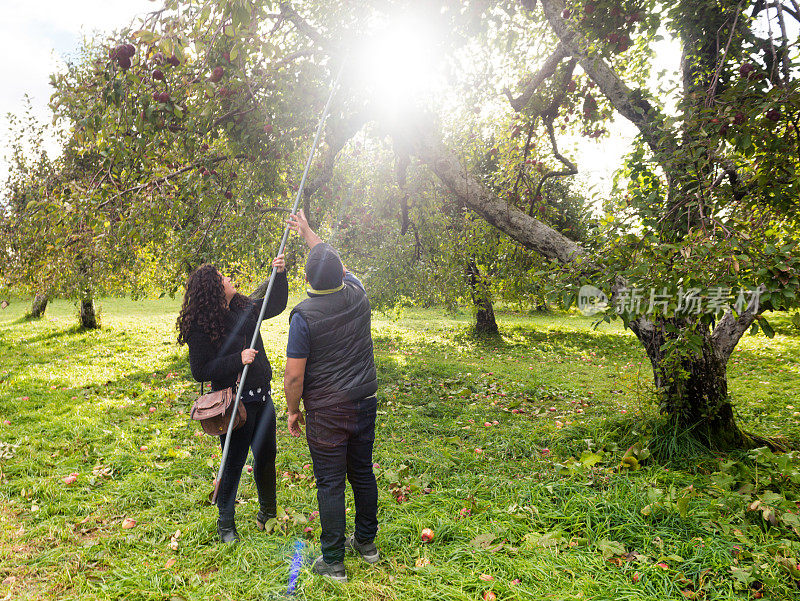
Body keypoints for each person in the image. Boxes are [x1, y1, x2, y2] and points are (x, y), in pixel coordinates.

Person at [284, 210, 379, 583]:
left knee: (330, 483)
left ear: (305, 279)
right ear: (342, 275)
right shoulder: (357, 293)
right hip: (363, 402)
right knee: (362, 471)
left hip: (325, 412)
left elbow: (294, 376)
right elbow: (333, 261)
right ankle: (367, 545)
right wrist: (309, 233)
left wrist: (293, 411)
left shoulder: (303, 317)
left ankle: (334, 561)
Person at [177, 257, 288, 543]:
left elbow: (274, 305)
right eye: (222, 277)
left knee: (266, 457)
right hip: (234, 406)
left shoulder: (242, 306)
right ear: (214, 289)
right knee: (234, 462)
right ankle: (226, 524)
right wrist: (236, 359)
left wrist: (280, 274)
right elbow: (200, 370)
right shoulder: (201, 326)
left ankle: (268, 512)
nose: (228, 279)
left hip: (261, 397)